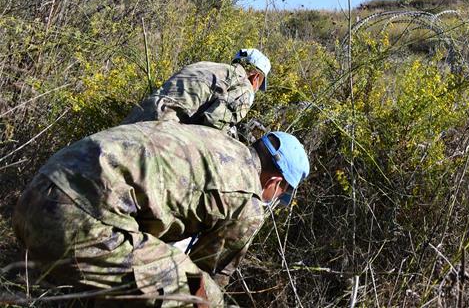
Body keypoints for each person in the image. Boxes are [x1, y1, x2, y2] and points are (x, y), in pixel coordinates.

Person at [13, 121, 309, 306]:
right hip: (67, 221)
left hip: (35, 196)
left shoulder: (215, 139)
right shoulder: (248, 197)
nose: (276, 200)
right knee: (201, 293)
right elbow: (207, 276)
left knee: (151, 263)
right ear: (275, 182)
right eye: (281, 196)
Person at [123, 48, 271, 135]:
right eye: (259, 84)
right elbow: (213, 125)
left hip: (135, 119)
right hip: (161, 131)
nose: (256, 89)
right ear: (256, 77)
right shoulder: (244, 84)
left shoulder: (205, 65)